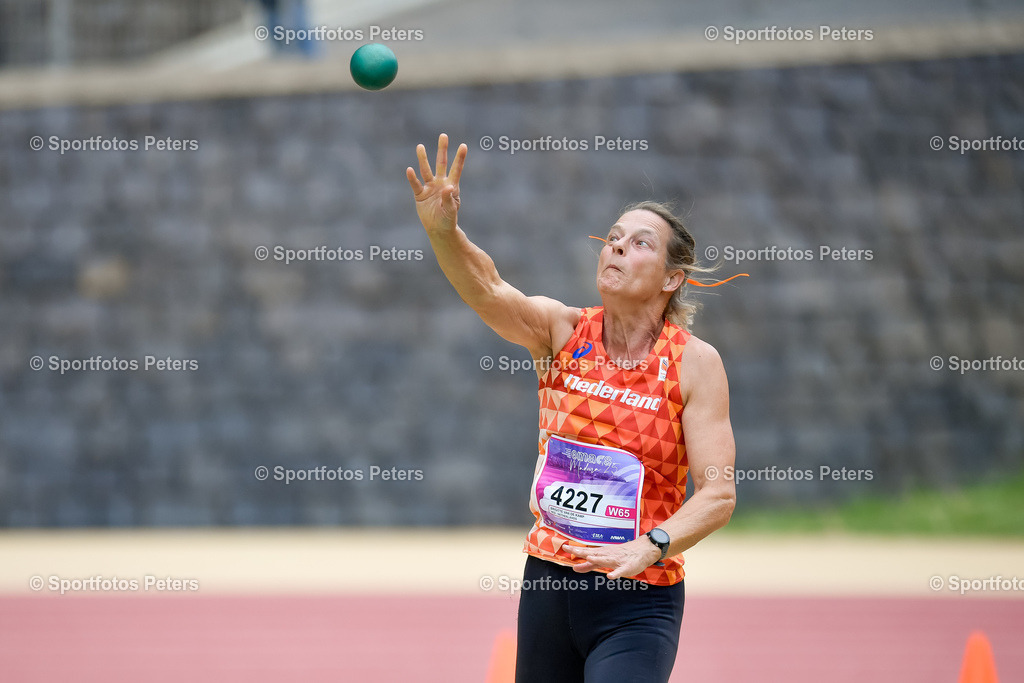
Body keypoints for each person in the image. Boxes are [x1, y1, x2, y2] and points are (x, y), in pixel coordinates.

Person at [407, 134, 737, 683]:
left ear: (672, 278)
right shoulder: (561, 332)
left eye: (639, 244)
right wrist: (444, 232)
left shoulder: (694, 364)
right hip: (549, 586)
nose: (616, 248)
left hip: (638, 598)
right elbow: (487, 288)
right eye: (613, 238)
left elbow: (719, 493)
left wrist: (652, 547)